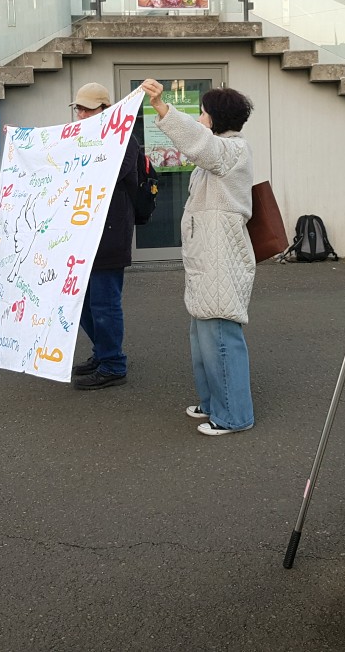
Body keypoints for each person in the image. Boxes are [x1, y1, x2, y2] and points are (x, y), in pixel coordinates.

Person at [139, 78, 256, 436]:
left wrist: (163, 108)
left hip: (220, 258)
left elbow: (202, 145)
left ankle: (234, 415)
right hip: (209, 258)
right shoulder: (221, 152)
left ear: (218, 118)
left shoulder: (232, 150)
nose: (200, 119)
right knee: (203, 336)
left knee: (220, 335)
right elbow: (203, 147)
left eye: (203, 113)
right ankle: (212, 403)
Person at [68, 82, 141, 390]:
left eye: (88, 109)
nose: (82, 115)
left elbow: (103, 176)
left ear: (105, 109)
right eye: (79, 109)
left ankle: (113, 364)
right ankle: (103, 352)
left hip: (110, 232)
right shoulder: (78, 138)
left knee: (104, 302)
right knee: (82, 301)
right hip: (83, 233)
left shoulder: (125, 139)